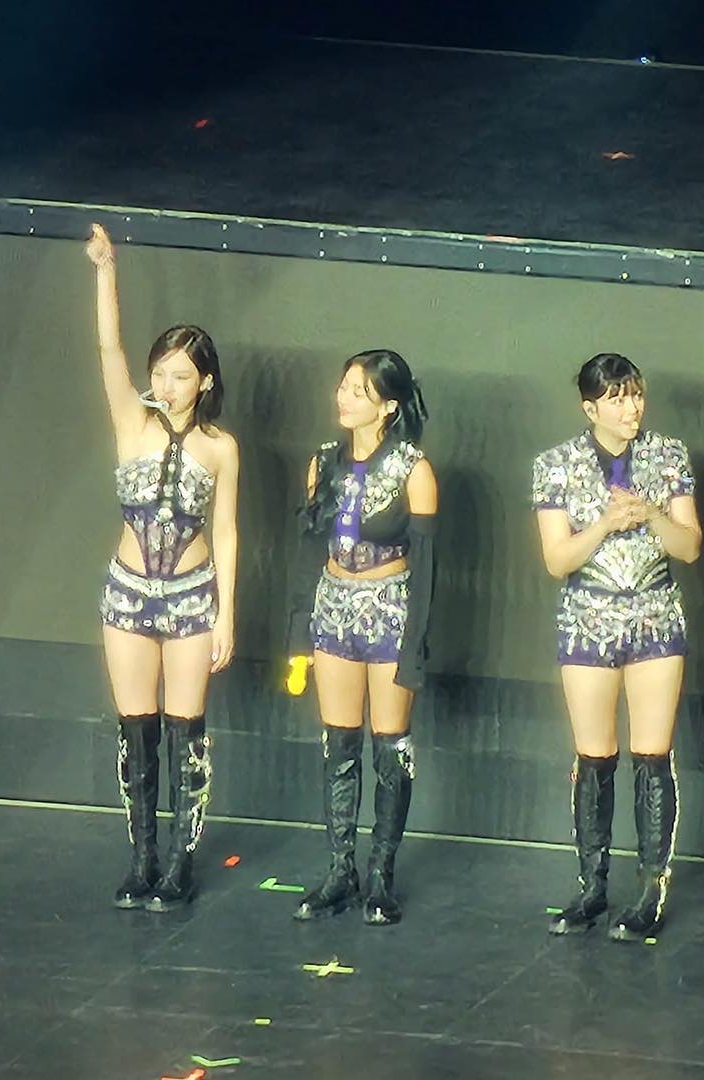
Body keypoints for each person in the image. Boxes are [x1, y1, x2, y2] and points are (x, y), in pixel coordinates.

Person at [86, 224, 239, 911]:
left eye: (180, 375)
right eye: (160, 373)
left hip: (190, 595)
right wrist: (105, 272)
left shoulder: (220, 447)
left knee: (186, 729)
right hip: (128, 592)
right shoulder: (132, 422)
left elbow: (227, 531)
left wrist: (225, 615)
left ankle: (180, 861)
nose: (166, 385)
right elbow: (108, 348)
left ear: (204, 382)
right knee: (135, 726)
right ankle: (141, 855)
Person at [531, 353, 702, 942]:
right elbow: (557, 560)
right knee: (594, 756)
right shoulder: (555, 464)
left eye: (636, 395)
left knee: (653, 756)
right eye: (617, 398)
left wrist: (651, 514)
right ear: (590, 408)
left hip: (654, 614)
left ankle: (652, 890)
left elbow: (690, 546)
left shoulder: (668, 455)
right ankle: (592, 887)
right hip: (588, 617)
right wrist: (604, 523)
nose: (631, 408)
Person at [287, 350, 436, 926]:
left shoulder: (413, 470)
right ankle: (339, 870)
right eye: (344, 386)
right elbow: (307, 550)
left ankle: (381, 875)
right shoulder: (322, 462)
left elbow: (427, 567)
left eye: (359, 391)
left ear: (388, 406)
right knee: (339, 742)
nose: (344, 398)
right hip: (333, 606)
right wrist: (298, 634)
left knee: (389, 745)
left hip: (389, 608)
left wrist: (415, 646)